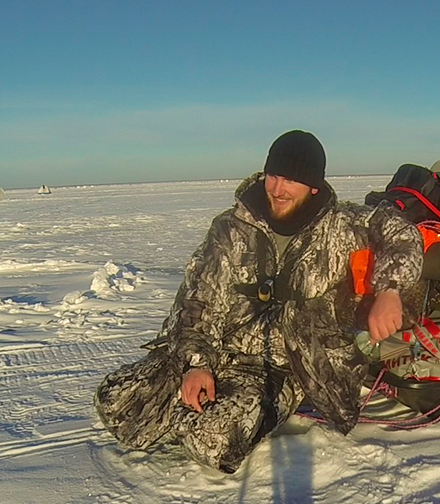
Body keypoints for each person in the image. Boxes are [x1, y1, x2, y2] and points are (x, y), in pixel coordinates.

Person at [95, 130, 423, 473]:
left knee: (213, 440)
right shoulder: (231, 228)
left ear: (313, 185)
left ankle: (224, 415)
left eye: (291, 181)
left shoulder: (342, 226)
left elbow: (401, 232)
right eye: (273, 175)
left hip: (281, 364)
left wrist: (390, 290)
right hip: (217, 349)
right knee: (118, 402)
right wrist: (195, 365)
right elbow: (198, 298)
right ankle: (195, 407)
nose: (278, 189)